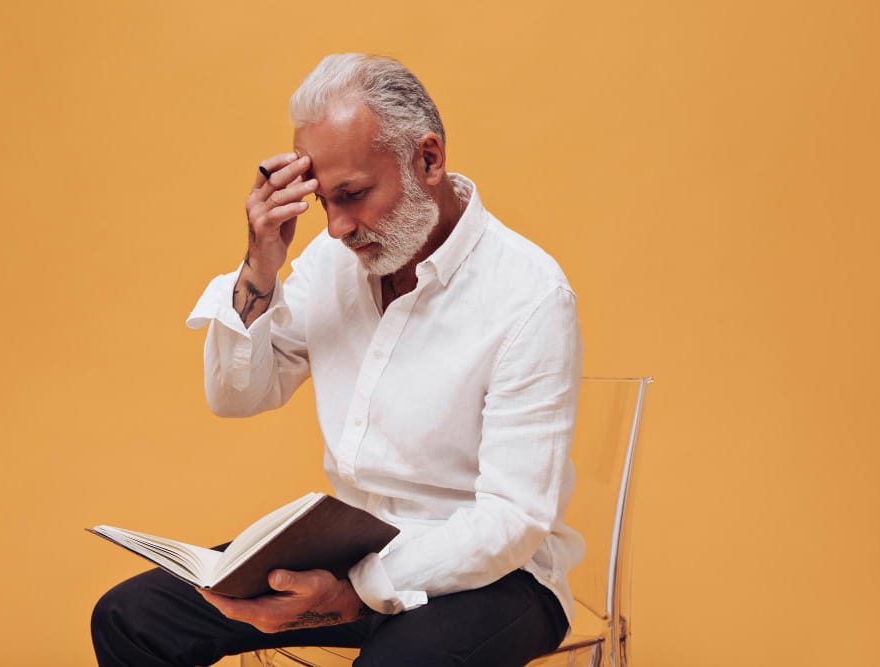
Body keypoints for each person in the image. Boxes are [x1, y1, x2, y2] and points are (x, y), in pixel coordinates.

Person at [92, 53, 583, 667]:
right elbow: (238, 395)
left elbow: (512, 521)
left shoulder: (529, 294)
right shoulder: (334, 266)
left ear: (428, 159)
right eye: (324, 201)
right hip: (352, 548)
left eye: (353, 195)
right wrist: (260, 266)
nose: (337, 228)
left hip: (497, 576)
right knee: (131, 618)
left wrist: (357, 592)